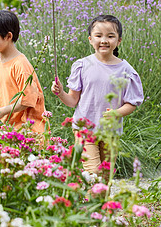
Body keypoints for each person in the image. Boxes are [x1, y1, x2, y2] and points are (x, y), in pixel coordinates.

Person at [51, 14, 143, 174]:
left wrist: (117, 113)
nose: (104, 40)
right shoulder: (82, 65)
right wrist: (60, 93)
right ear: (90, 39)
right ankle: (91, 195)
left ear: (119, 40)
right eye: (98, 36)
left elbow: (132, 103)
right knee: (93, 172)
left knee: (106, 174)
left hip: (110, 132)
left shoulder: (126, 70)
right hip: (85, 129)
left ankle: (98, 199)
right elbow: (73, 101)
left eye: (110, 36)